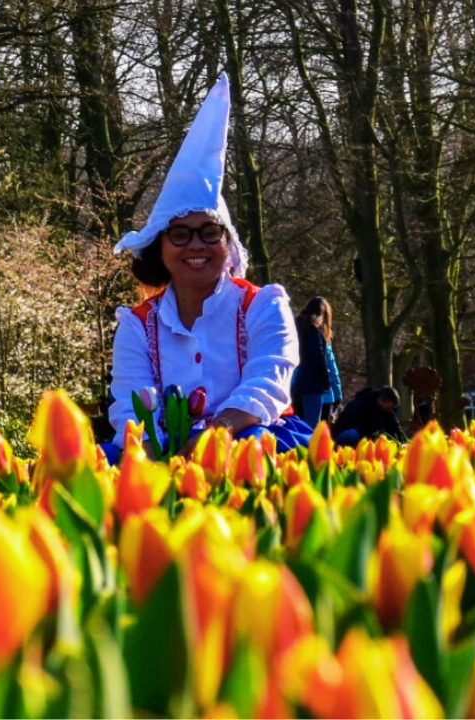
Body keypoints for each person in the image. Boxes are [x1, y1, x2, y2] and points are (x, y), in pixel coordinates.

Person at [105, 74, 310, 462]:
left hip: (250, 435)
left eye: (209, 232)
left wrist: (214, 438)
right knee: (91, 464)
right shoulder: (136, 327)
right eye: (180, 234)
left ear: (227, 242)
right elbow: (130, 408)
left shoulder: (263, 306)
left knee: (253, 452)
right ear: (160, 247)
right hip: (163, 449)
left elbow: (268, 382)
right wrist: (155, 462)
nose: (196, 245)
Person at [291, 297, 336, 428]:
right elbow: (318, 356)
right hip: (313, 383)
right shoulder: (313, 331)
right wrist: (325, 380)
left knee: (297, 421)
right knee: (312, 424)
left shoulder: (296, 329)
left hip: (296, 382)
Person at [332, 385, 407, 447]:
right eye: (389, 408)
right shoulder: (360, 404)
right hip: (347, 432)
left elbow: (395, 428)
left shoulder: (386, 410)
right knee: (352, 434)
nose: (390, 411)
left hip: (365, 435)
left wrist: (403, 443)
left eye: (392, 408)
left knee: (383, 434)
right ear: (381, 400)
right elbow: (356, 425)